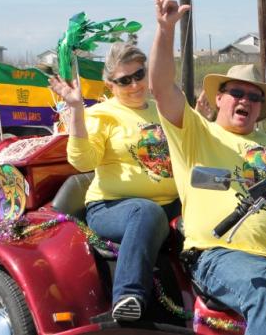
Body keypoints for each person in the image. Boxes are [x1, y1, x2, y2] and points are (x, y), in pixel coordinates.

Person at [147, 0, 266, 334]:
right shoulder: (195, 131)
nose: (246, 100)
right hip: (218, 256)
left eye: (254, 96)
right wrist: (165, 31)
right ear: (219, 99)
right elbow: (161, 86)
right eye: (237, 93)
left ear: (261, 107)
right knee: (258, 291)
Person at [48, 42, 179, 322]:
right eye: (124, 80)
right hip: (113, 209)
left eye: (139, 75)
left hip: (171, 205)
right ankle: (128, 296)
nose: (134, 85)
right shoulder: (102, 115)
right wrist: (77, 112)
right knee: (145, 211)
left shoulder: (161, 111)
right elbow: (83, 161)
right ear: (110, 83)